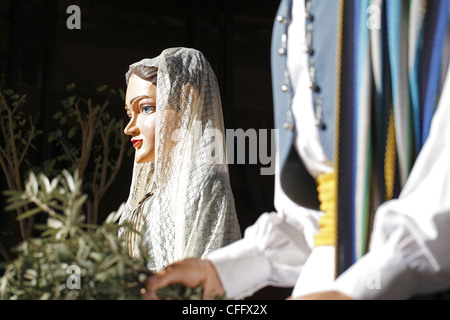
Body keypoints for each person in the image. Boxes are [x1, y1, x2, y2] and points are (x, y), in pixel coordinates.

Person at [141, 0, 450, 300]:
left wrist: (357, 290)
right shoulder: (292, 13)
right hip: (322, 281)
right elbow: (315, 222)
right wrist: (218, 272)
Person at [118, 47, 241, 272]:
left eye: (146, 108)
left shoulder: (204, 183)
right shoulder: (149, 189)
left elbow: (204, 277)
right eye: (129, 114)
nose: (129, 128)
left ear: (186, 103)